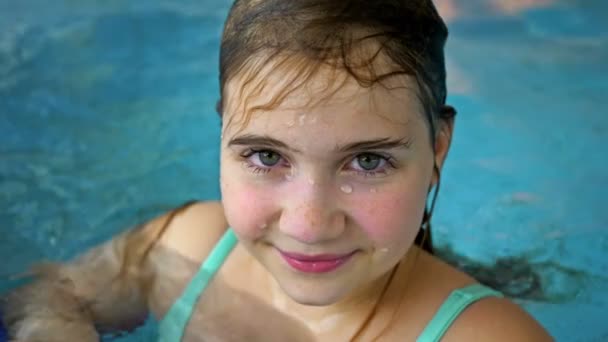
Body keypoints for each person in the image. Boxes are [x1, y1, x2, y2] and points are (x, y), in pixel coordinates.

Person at [1, 0, 553, 341]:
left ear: (437, 149)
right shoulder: (191, 248)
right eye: (266, 156)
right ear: (221, 138)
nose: (309, 225)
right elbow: (51, 292)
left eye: (368, 160)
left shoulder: (490, 337)